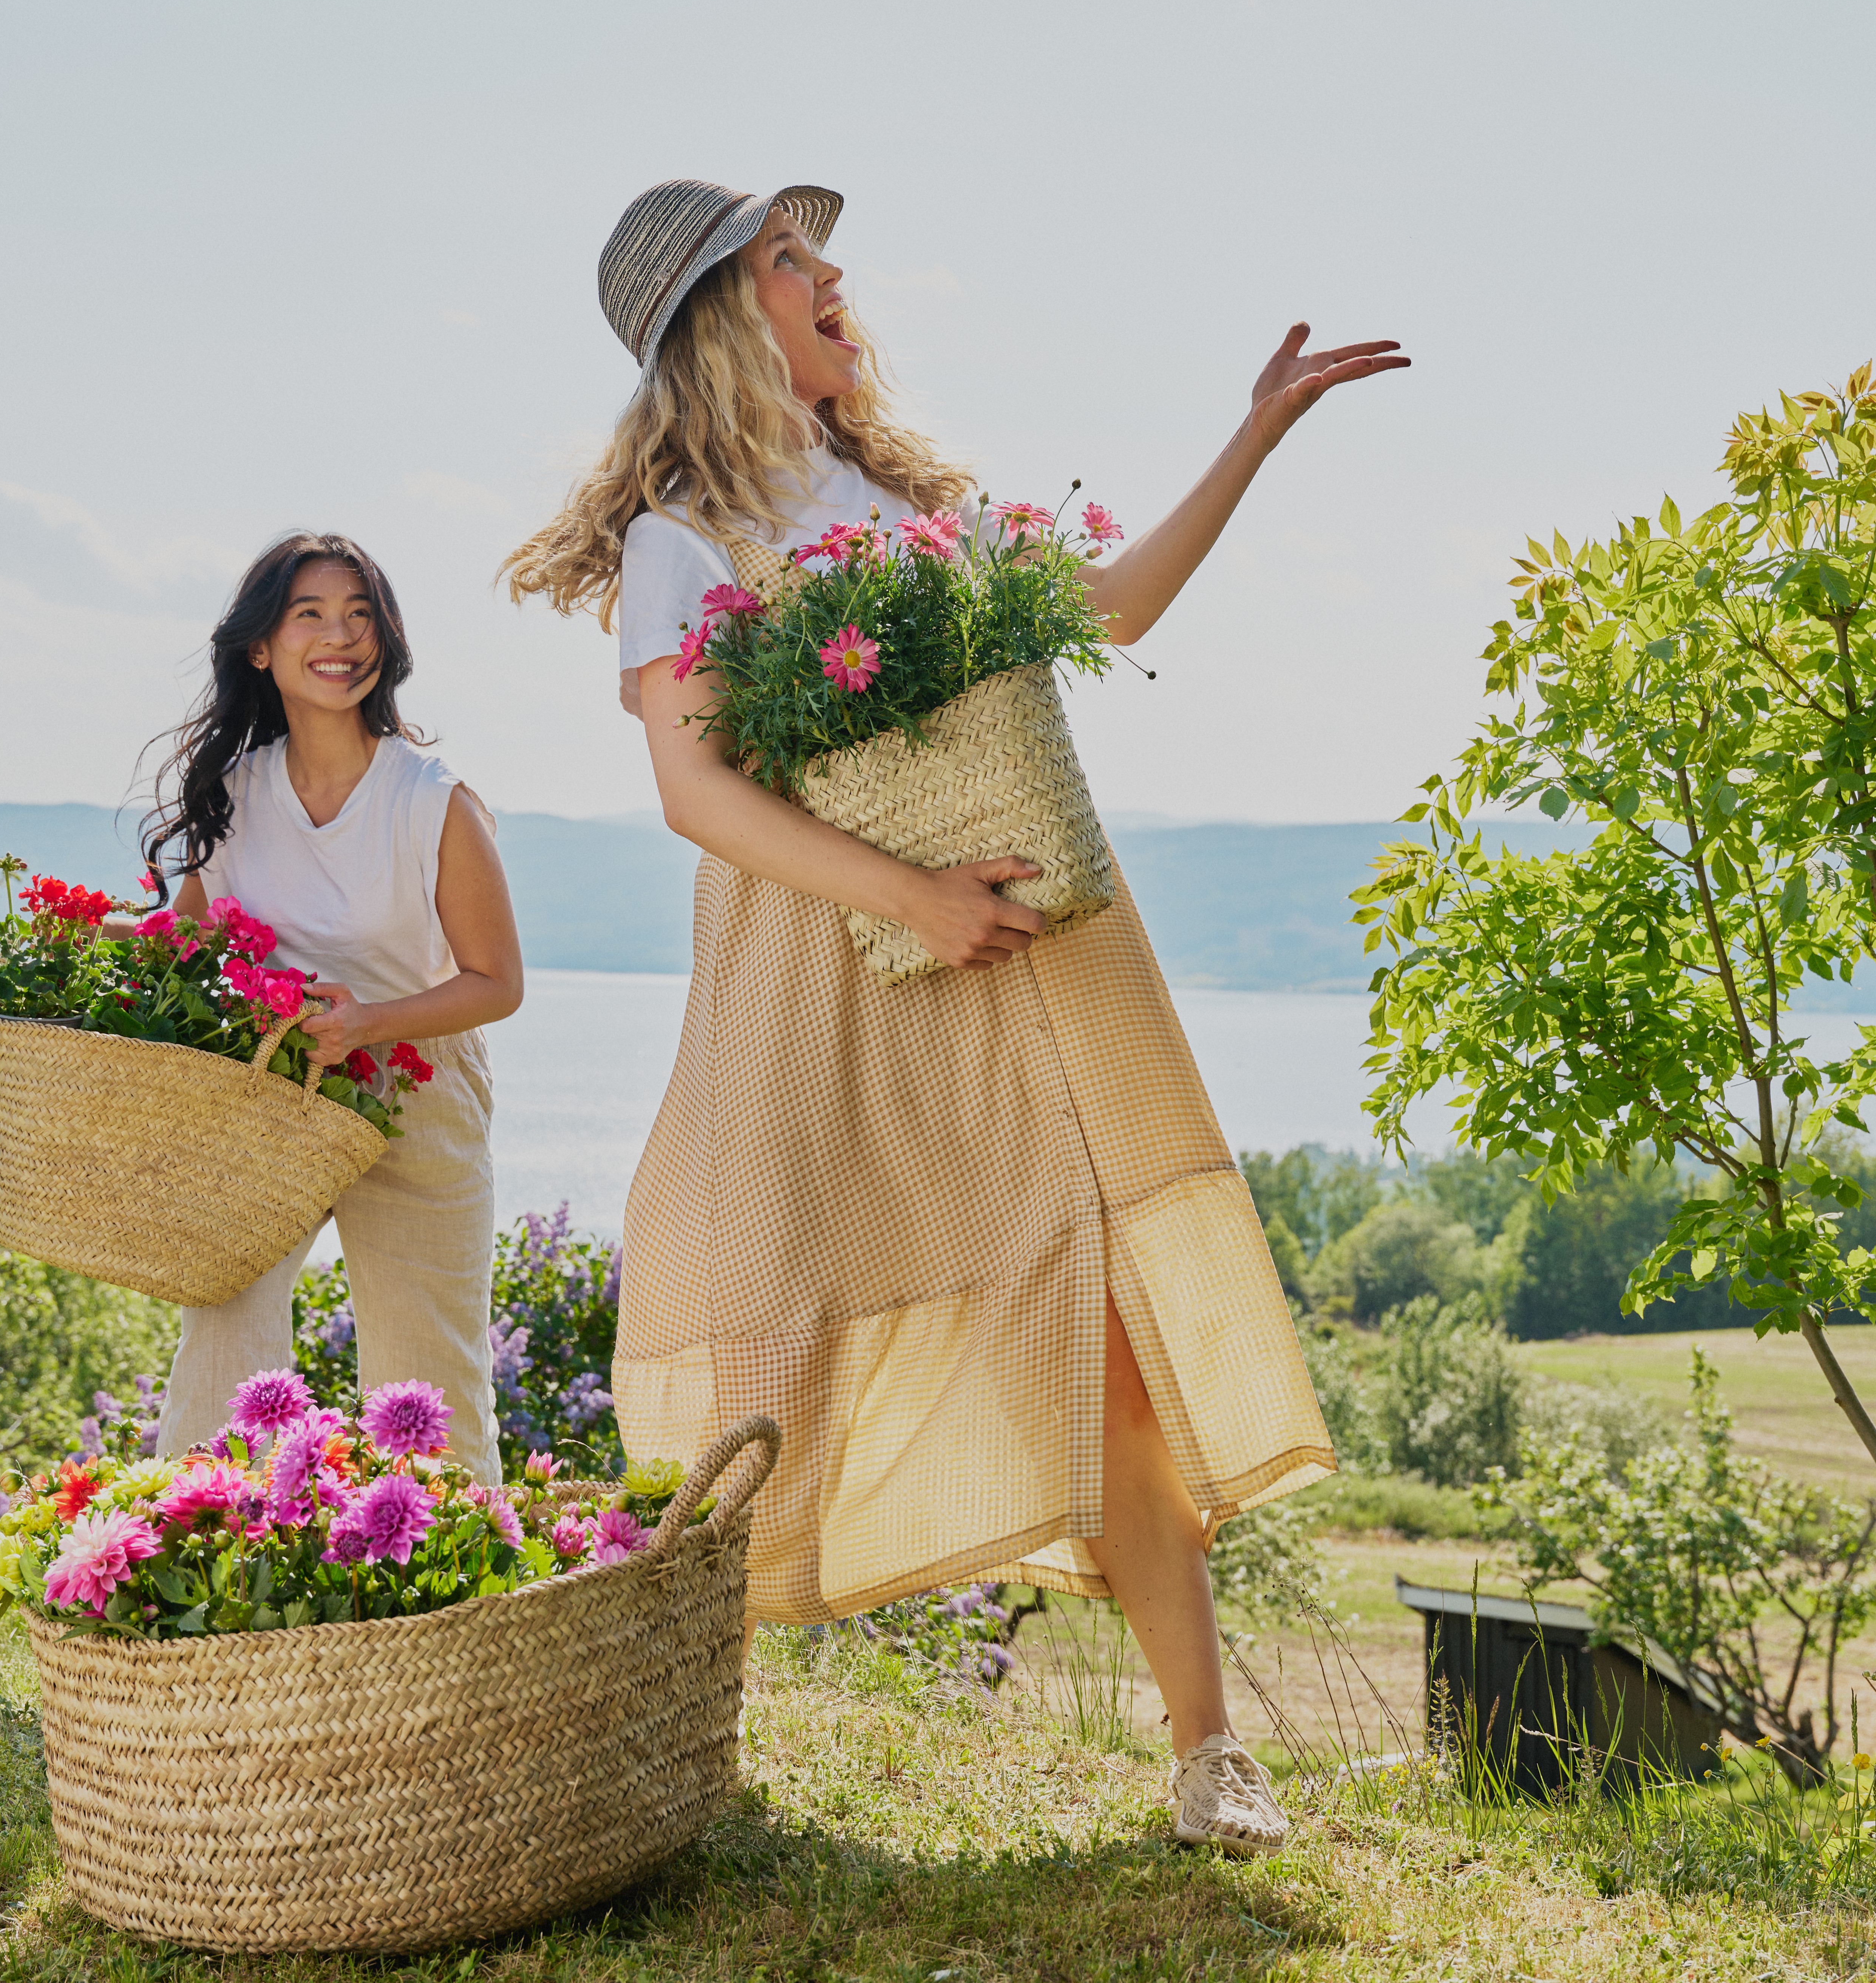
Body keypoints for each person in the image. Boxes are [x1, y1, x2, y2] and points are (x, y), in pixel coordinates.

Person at [505, 179, 1410, 1854]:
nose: (833, 273)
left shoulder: (904, 492)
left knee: (1117, 1342)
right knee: (778, 1360)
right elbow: (694, 790)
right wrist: (904, 891)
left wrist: (1254, 438)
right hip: (820, 979)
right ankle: (643, 1737)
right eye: (790, 257)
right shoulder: (680, 537)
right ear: (721, 314)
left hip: (1022, 965)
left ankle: (1205, 1750)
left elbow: (1112, 611)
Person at [139, 533, 523, 1478]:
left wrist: (367, 1024)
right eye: (308, 613)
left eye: (359, 614)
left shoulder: (434, 801)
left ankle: (447, 1612)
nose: (339, 635)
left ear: (384, 642)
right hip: (274, 1092)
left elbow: (496, 984)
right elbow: (189, 942)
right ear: (261, 647)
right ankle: (201, 1564)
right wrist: (71, 934)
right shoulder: (234, 793)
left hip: (418, 1089)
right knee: (223, 1336)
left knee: (426, 1380)